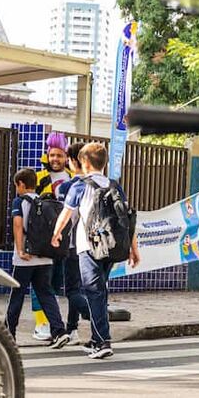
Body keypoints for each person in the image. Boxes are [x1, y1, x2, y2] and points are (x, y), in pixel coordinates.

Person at [50, 142, 139, 360]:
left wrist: (56, 234)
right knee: (100, 291)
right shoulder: (114, 185)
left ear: (86, 163)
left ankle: (103, 341)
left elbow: (66, 214)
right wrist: (133, 249)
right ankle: (95, 339)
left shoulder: (79, 186)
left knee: (94, 292)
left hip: (88, 247)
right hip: (112, 246)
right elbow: (128, 218)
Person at [7, 168, 69, 348]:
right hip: (45, 257)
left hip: (25, 258)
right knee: (46, 293)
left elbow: (18, 226)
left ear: (21, 185)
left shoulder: (19, 201)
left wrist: (20, 250)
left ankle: (9, 334)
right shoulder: (45, 202)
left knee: (16, 295)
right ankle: (59, 331)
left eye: (16, 186)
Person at [28, 131, 72, 341]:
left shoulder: (72, 179)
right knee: (40, 282)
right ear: (47, 155)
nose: (55, 159)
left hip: (64, 241)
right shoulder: (38, 178)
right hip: (42, 241)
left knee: (55, 283)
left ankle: (55, 324)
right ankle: (41, 323)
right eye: (52, 155)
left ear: (66, 157)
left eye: (59, 155)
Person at [55, 141, 90, 338]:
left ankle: (93, 313)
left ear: (73, 160)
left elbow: (66, 216)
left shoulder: (68, 186)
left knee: (72, 291)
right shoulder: (98, 183)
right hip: (94, 245)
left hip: (72, 244)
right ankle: (72, 329)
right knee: (79, 287)